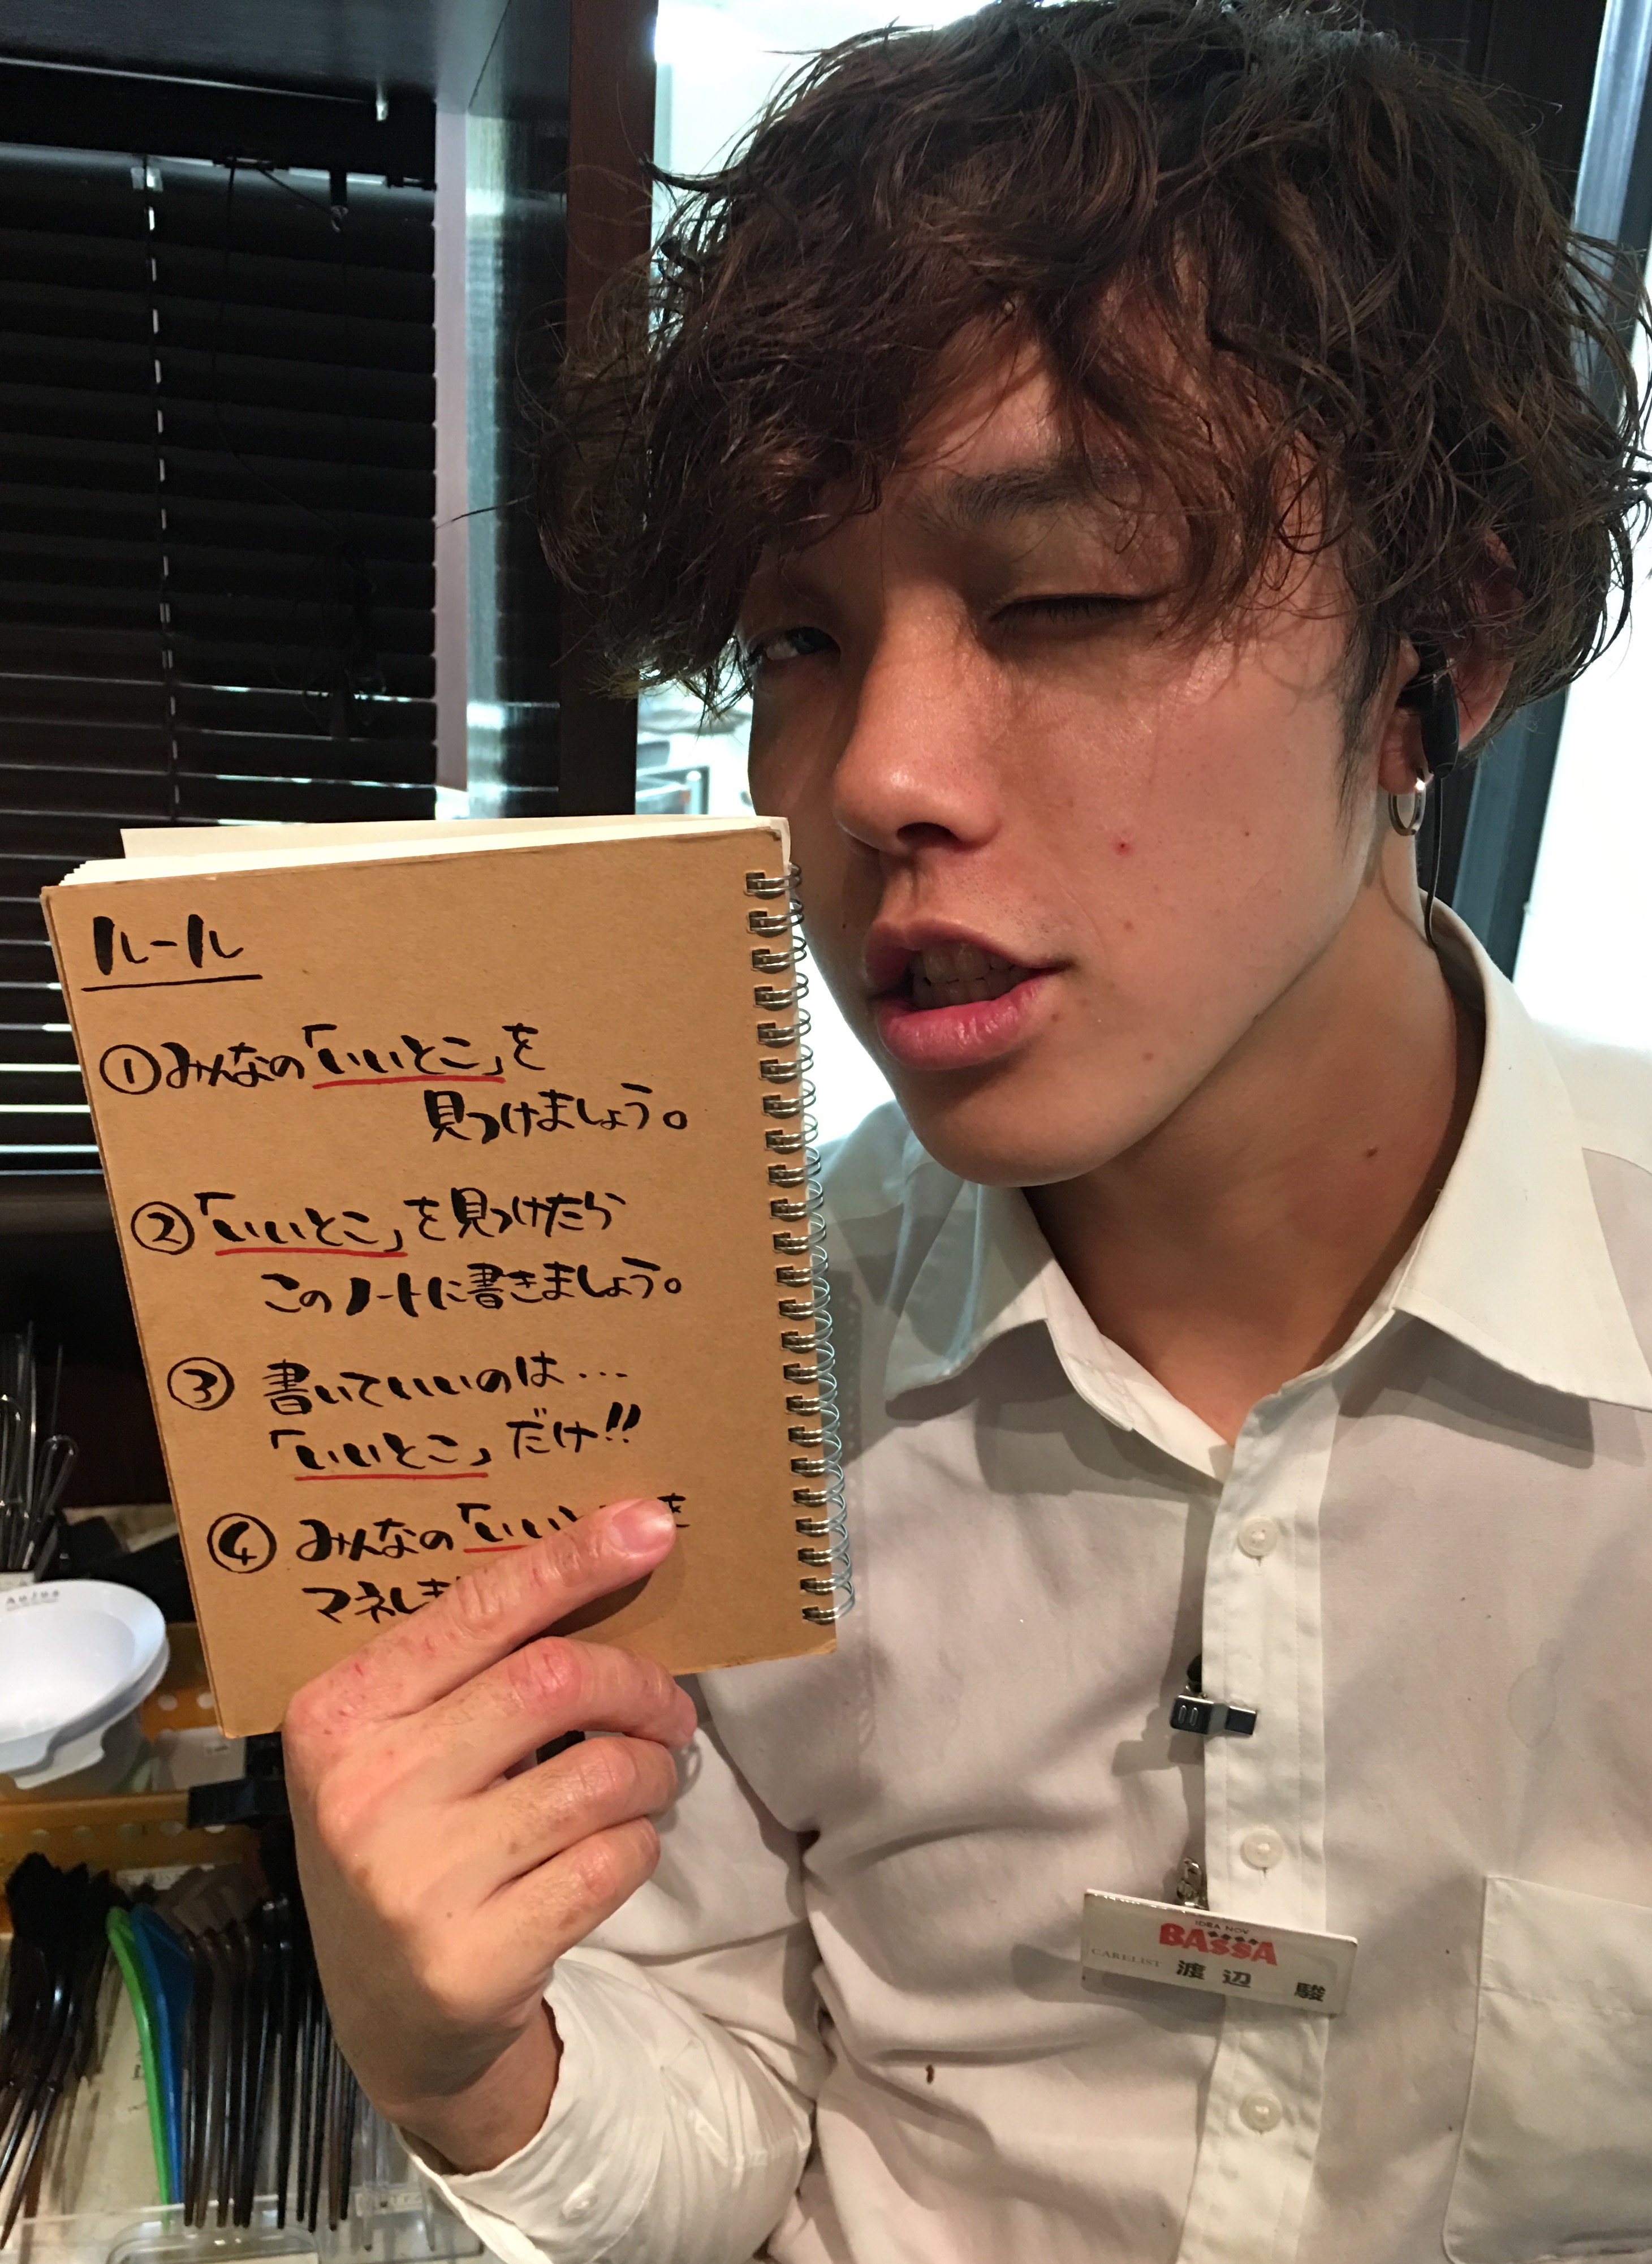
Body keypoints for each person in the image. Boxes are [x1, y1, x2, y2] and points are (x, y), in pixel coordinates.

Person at [283, 4, 1652, 2258]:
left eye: (1064, 596)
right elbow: (721, 2087)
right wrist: (463, 2054)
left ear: (1441, 650)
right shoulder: (723, 1357)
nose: (873, 774)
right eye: (791, 644)